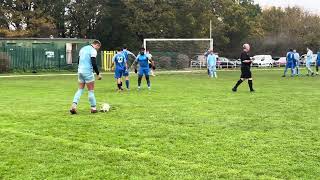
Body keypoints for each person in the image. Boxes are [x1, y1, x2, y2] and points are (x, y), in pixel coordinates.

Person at [70, 40, 102, 114]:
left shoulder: (83, 49)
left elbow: (78, 60)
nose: (97, 49)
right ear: (97, 45)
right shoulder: (93, 50)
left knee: (80, 89)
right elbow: (94, 63)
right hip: (87, 71)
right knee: (91, 90)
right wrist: (98, 73)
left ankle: (73, 106)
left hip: (80, 71)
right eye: (98, 47)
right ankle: (93, 108)